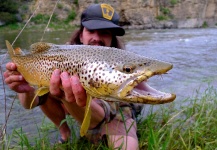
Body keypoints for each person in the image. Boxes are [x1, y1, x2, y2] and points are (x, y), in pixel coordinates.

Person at [4, 3, 142, 150]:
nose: (97, 38)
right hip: (81, 106)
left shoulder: (122, 63)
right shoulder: (61, 56)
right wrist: (25, 89)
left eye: (105, 32)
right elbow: (30, 104)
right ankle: (65, 134)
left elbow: (99, 118)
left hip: (115, 113)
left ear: (112, 39)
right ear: (81, 35)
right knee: (51, 86)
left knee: (128, 147)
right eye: (91, 31)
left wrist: (64, 94)